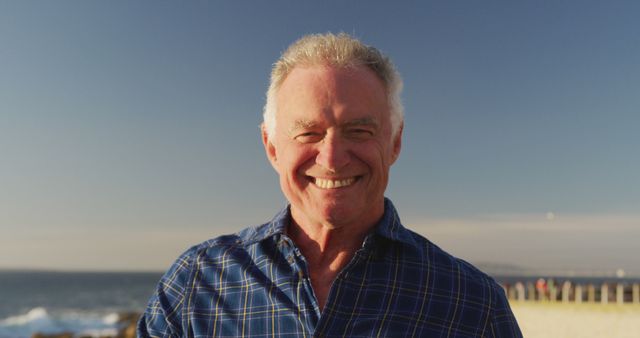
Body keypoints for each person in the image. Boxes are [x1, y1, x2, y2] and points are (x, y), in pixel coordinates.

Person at [138, 33, 522, 337]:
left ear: (395, 143)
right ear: (271, 147)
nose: (333, 158)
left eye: (359, 131)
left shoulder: (470, 304)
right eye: (308, 133)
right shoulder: (197, 283)